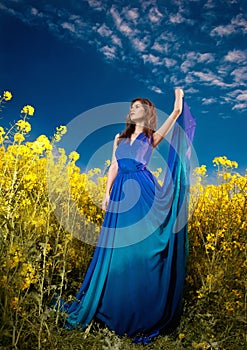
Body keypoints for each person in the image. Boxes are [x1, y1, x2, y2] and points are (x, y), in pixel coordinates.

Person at [57, 88, 196, 344]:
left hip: (144, 192)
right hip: (121, 193)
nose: (132, 110)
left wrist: (179, 97)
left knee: (143, 249)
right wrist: (107, 193)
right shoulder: (118, 139)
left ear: (147, 113)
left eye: (138, 107)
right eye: (131, 107)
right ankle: (114, 308)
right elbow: (114, 165)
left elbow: (176, 113)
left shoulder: (151, 138)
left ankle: (144, 312)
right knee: (117, 251)